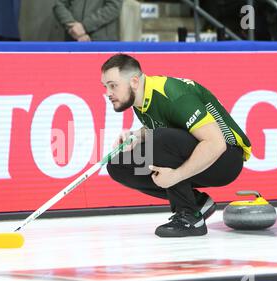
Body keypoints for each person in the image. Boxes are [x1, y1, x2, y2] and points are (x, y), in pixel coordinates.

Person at [102, 54, 251, 238]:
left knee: (158, 140)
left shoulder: (172, 94)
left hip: (227, 158)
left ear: (133, 81)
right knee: (118, 164)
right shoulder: (140, 99)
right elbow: (169, 129)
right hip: (199, 152)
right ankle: (197, 203)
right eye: (105, 87)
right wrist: (136, 136)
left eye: (113, 85)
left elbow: (216, 143)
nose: (108, 93)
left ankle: (191, 217)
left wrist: (175, 176)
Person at [53, 0, 123, 41]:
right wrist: (71, 25)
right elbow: (59, 5)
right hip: (73, 38)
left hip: (101, 41)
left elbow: (114, 7)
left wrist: (84, 26)